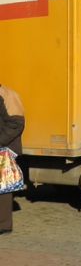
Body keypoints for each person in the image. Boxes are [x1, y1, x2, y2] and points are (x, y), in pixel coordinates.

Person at [0, 84, 24, 235]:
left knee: (3, 187)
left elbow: (17, 123)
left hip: (4, 148)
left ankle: (3, 225)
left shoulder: (6, 95)